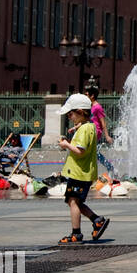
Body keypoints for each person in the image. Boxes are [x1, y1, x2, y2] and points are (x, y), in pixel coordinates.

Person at [57, 93, 109, 243]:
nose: (69, 117)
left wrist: (66, 144)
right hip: (84, 173)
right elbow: (89, 123)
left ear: (80, 112)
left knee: (73, 202)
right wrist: (78, 127)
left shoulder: (84, 130)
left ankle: (76, 234)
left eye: (70, 114)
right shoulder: (89, 126)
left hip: (79, 173)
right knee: (75, 201)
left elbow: (80, 151)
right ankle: (97, 220)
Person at [84, 85, 118, 180]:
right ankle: (110, 168)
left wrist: (107, 136)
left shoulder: (97, 107)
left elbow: (103, 123)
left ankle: (109, 168)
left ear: (92, 96)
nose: (85, 96)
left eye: (87, 94)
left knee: (90, 152)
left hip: (95, 132)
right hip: (89, 131)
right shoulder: (89, 107)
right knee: (94, 153)